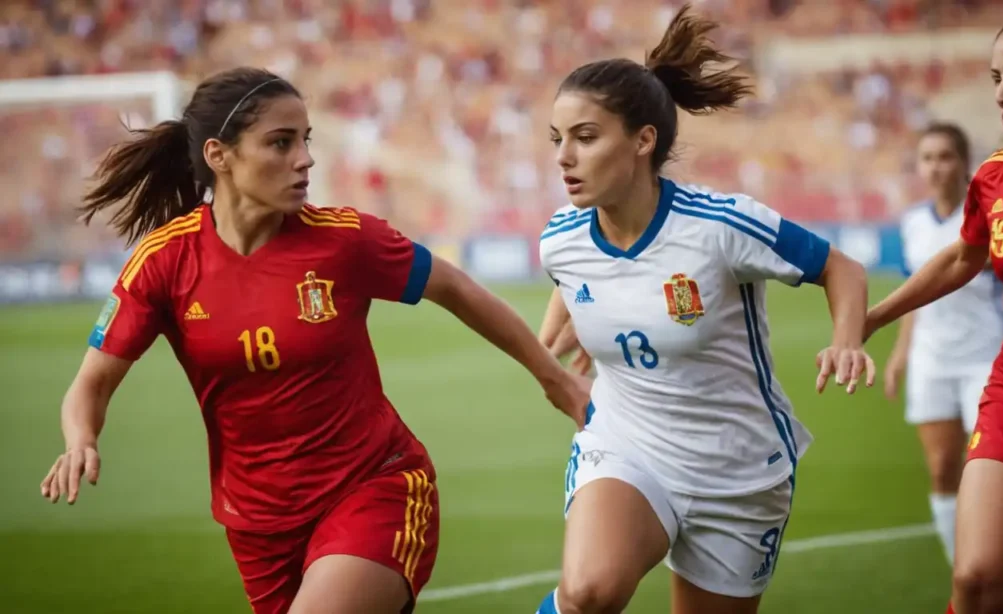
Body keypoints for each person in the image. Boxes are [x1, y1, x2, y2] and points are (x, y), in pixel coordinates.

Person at [38, 66, 591, 614]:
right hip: (256, 526)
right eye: (280, 143)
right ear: (218, 155)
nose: (304, 159)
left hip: (375, 488)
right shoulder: (165, 261)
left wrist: (555, 378)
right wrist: (79, 438)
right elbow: (92, 383)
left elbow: (459, 290)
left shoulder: (344, 241)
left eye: (305, 140)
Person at [532, 6, 875, 614]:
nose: (564, 156)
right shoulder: (561, 237)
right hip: (627, 445)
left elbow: (839, 267)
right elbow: (573, 281)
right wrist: (561, 349)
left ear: (644, 140)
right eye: (557, 139)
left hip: (739, 472)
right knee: (588, 591)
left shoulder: (720, 226)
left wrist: (847, 339)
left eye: (585, 137)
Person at [864, 13, 1003, 614]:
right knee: (978, 579)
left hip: (982, 356)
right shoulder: (997, 174)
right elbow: (962, 255)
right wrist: (876, 318)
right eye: (996, 77)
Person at [883, 123, 1003, 566]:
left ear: (964, 163)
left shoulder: (991, 216)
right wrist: (900, 356)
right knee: (942, 470)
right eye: (928, 158)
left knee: (988, 470)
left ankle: (990, 557)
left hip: (985, 359)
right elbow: (919, 294)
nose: (936, 167)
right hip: (931, 361)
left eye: (945, 157)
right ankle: (962, 566)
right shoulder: (913, 222)